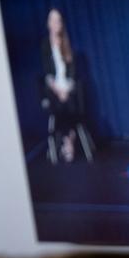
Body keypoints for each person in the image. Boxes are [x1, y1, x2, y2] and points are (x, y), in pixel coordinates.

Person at [41, 8, 81, 162]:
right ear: (48, 24)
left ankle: (67, 139)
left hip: (67, 86)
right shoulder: (45, 44)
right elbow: (47, 73)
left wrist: (67, 88)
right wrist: (57, 90)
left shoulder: (66, 41)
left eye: (58, 20)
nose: (56, 23)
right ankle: (69, 138)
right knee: (60, 102)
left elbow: (72, 71)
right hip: (53, 87)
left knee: (69, 100)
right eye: (53, 20)